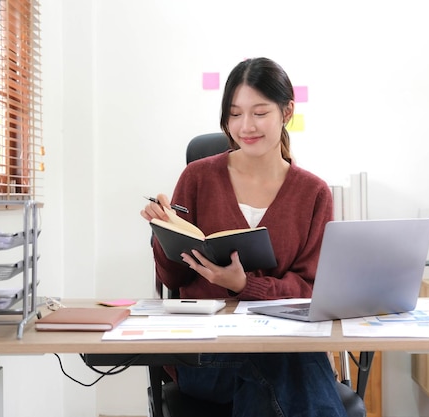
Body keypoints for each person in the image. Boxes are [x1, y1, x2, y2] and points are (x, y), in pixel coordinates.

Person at [140, 57, 346, 417]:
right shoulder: (197, 178)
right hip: (206, 352)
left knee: (272, 372)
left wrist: (244, 285)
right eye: (235, 114)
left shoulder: (313, 193)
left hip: (284, 344)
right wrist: (165, 231)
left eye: (259, 112)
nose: (245, 126)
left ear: (287, 113)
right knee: (285, 365)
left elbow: (311, 289)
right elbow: (173, 279)